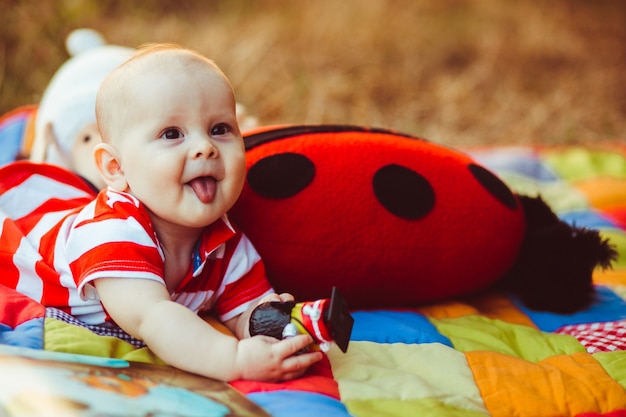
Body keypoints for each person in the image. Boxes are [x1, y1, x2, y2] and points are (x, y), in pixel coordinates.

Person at [0, 44, 322, 382]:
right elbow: (152, 317)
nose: (205, 147)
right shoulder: (113, 230)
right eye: (172, 134)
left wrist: (270, 323)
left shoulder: (227, 243)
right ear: (116, 168)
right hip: (15, 239)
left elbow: (245, 307)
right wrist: (237, 359)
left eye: (220, 129)